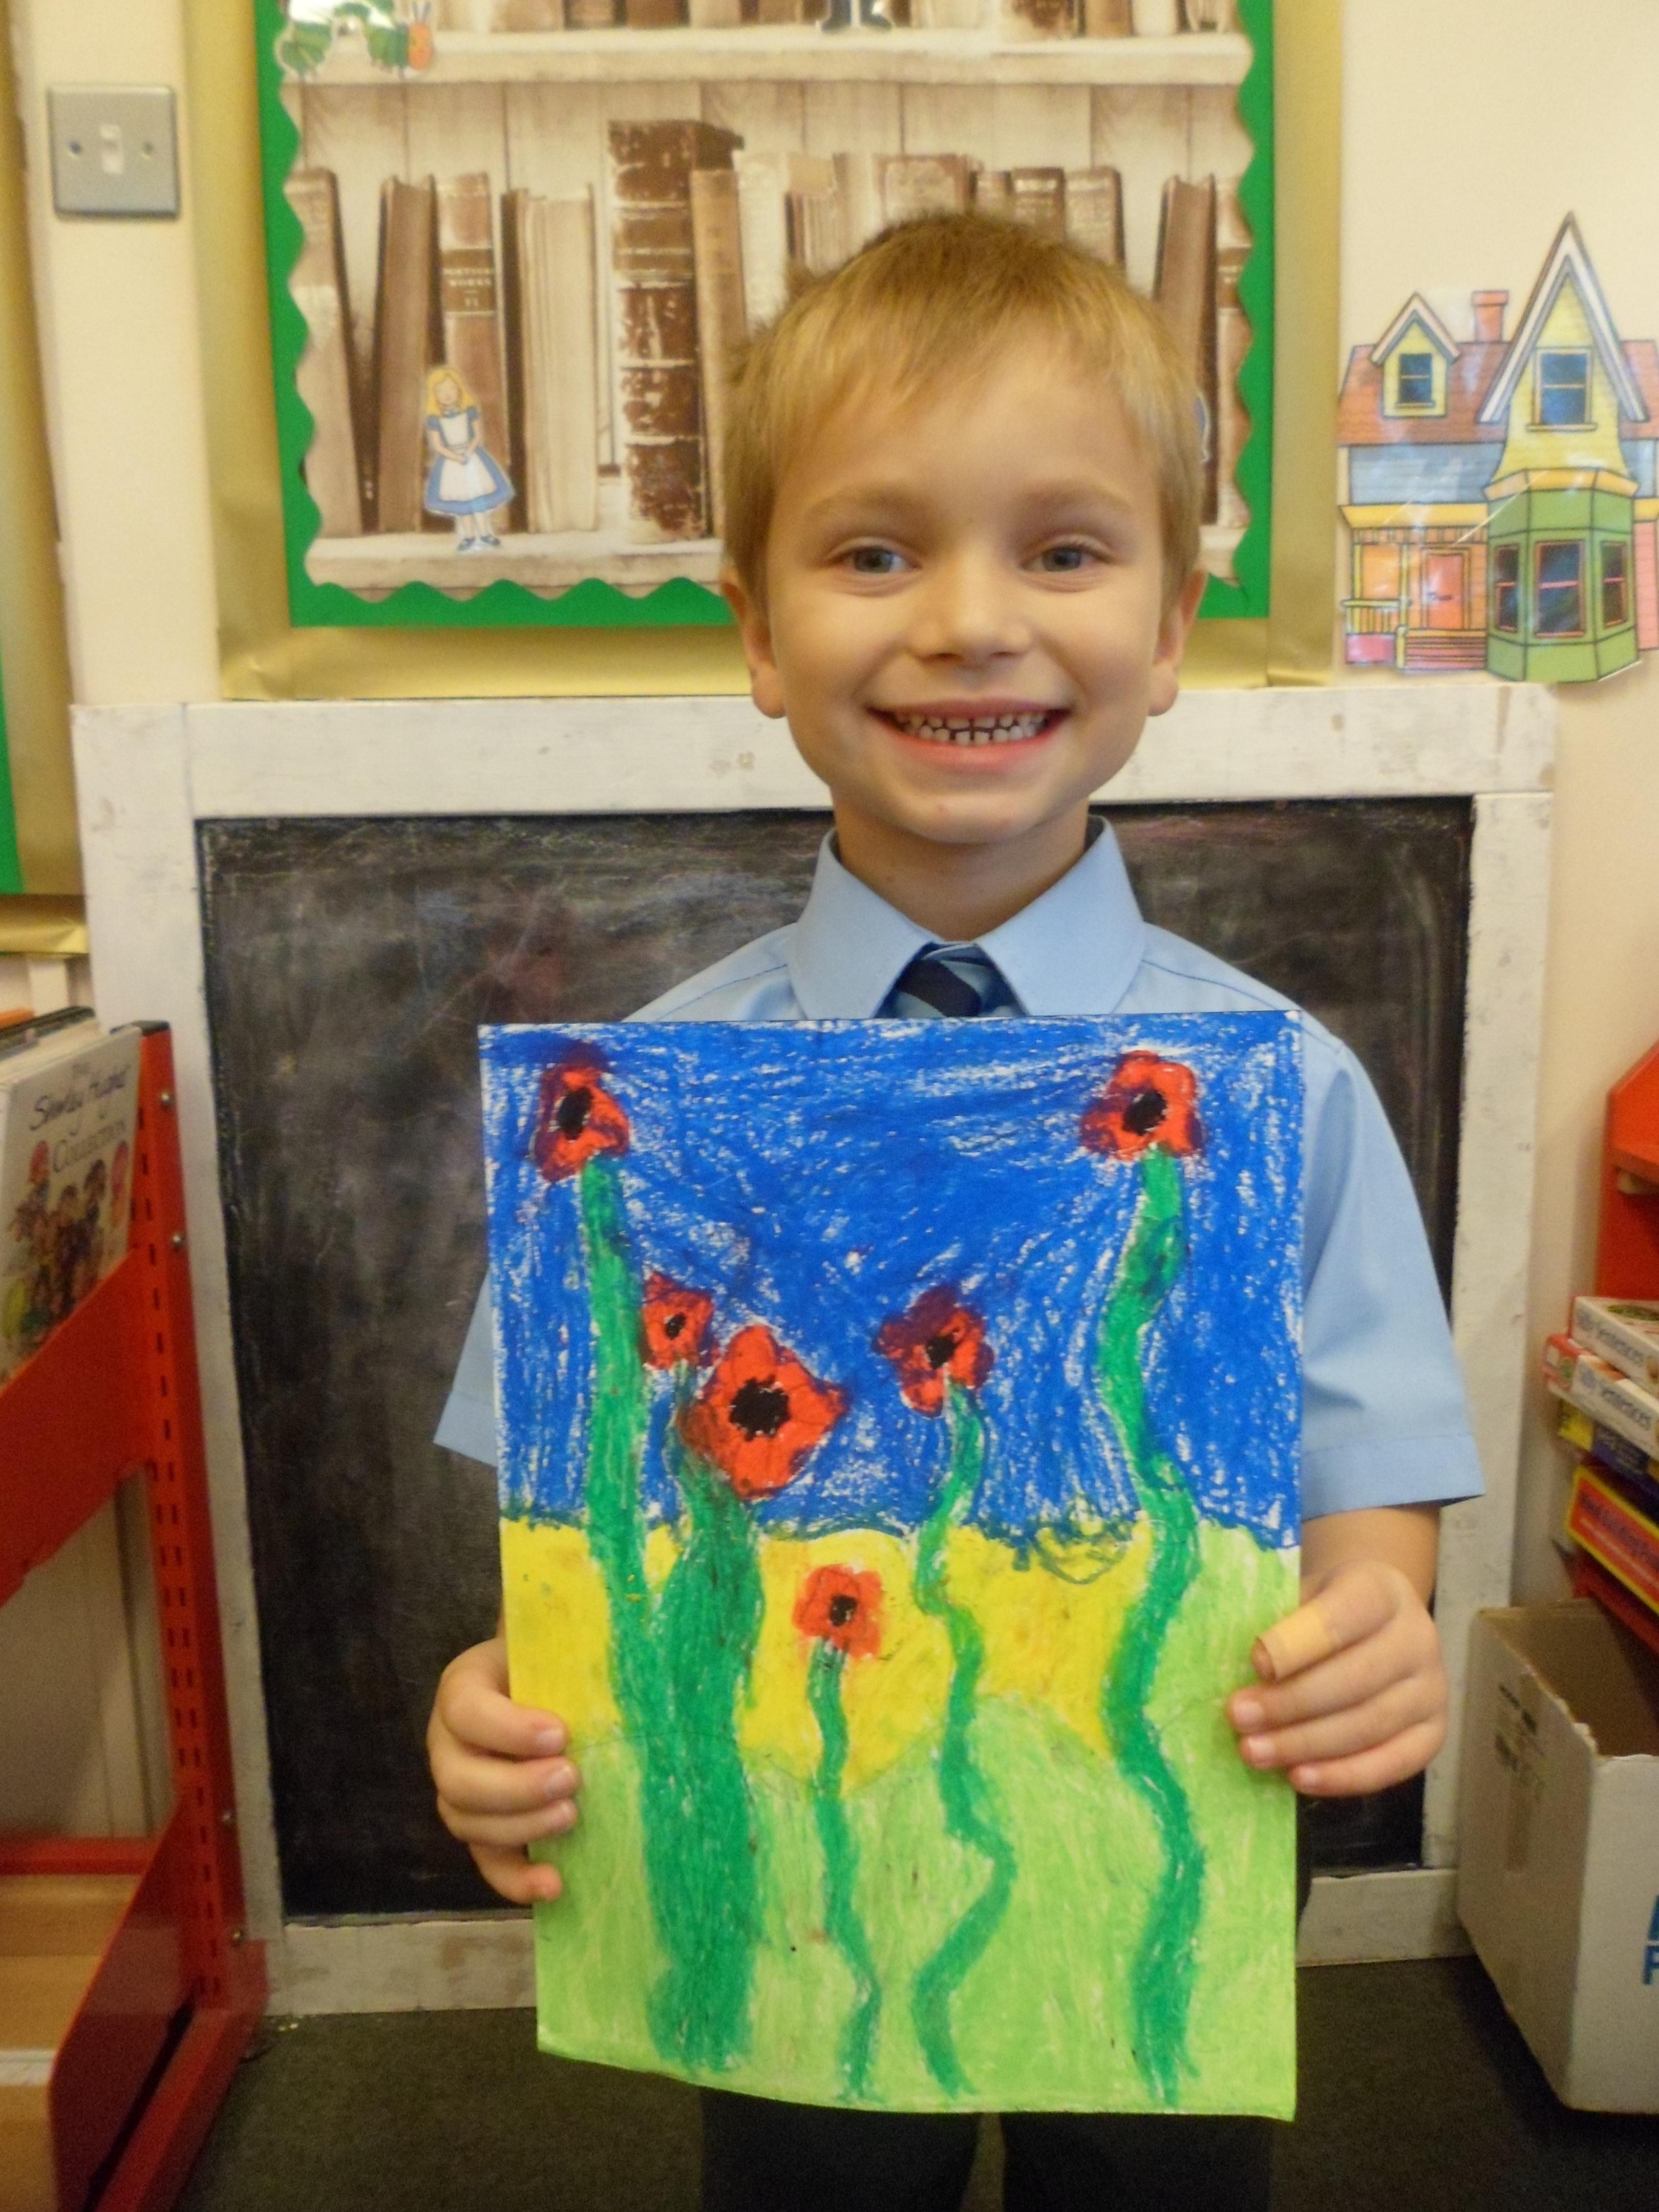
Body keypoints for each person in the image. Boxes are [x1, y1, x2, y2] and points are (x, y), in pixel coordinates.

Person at [426, 214, 1478, 2211]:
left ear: (1171, 627)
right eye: (874, 552)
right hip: (790, 1907)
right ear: (759, 634)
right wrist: (501, 1709)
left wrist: (1378, 1630)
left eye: (1064, 551)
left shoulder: (1281, 1092)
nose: (972, 623)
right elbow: (569, 1535)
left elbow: (1370, 1502)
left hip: (1155, 1870)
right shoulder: (632, 1115)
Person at [422, 365, 513, 552]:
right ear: (434, 395)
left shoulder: (470, 411)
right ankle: (469, 536)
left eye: (451, 388)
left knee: (478, 497)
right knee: (461, 502)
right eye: (440, 391)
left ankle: (485, 534)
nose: (447, 394)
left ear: (459, 389)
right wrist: (455, 457)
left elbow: (477, 436)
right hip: (451, 463)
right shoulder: (434, 419)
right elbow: (438, 445)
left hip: (473, 460)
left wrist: (469, 452)